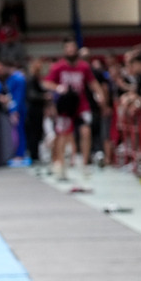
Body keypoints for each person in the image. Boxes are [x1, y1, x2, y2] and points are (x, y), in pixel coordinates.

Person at [44, 36, 105, 178]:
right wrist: (58, 87)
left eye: (73, 48)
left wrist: (100, 95)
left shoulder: (84, 66)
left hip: (80, 104)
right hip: (65, 105)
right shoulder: (58, 66)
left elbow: (93, 83)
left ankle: (85, 164)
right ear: (65, 50)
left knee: (85, 131)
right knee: (63, 135)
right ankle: (60, 164)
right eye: (68, 48)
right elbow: (47, 83)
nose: (71, 50)